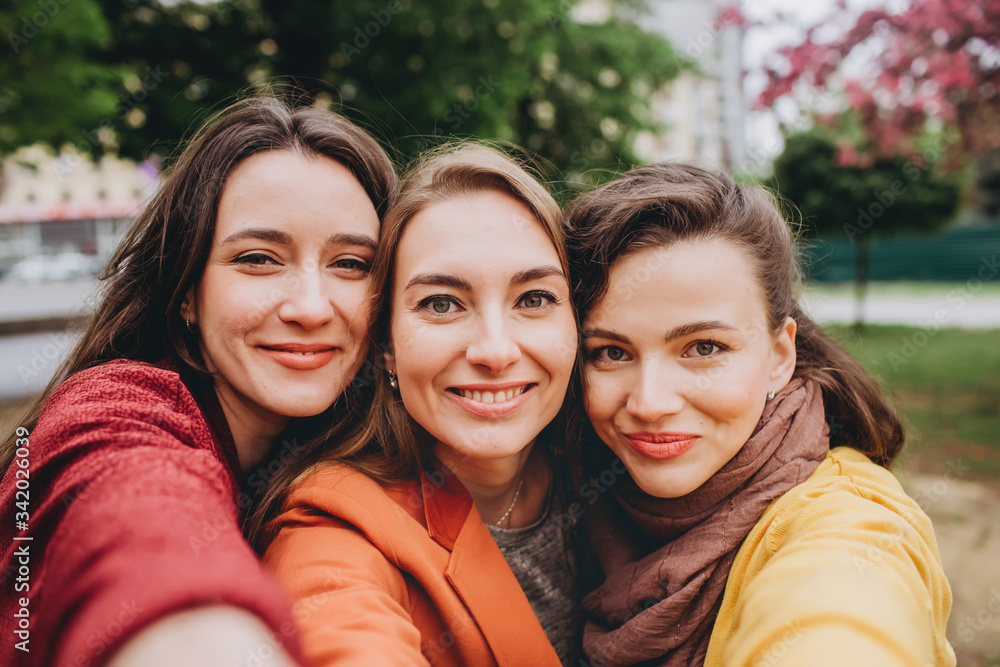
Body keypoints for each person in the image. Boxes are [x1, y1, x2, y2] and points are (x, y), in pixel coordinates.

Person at [0, 95, 396, 667]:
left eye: (351, 264)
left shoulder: (356, 443)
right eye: (259, 259)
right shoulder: (113, 408)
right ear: (187, 292)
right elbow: (134, 516)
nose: (311, 308)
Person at [566, 163, 955, 667]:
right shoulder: (581, 492)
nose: (650, 403)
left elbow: (840, 619)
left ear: (779, 356)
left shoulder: (849, 525)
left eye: (703, 347)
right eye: (611, 352)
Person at [258, 144, 582, 666]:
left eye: (534, 298)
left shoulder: (615, 459)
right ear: (385, 343)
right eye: (441, 304)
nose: (496, 352)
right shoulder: (336, 524)